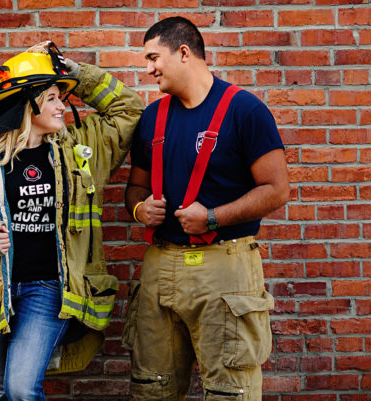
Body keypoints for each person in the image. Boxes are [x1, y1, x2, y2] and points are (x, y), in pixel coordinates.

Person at [0, 41, 143, 401]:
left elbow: (128, 110)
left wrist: (73, 71)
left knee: (21, 388)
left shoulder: (80, 151)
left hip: (48, 290)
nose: (62, 106)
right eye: (54, 98)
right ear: (28, 105)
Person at [123, 17, 290, 401]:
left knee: (231, 392)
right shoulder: (152, 117)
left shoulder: (245, 110)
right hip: (159, 267)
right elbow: (135, 187)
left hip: (225, 268)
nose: (148, 69)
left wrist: (213, 218)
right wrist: (139, 211)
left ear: (184, 52)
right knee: (152, 389)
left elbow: (277, 189)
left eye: (153, 57)